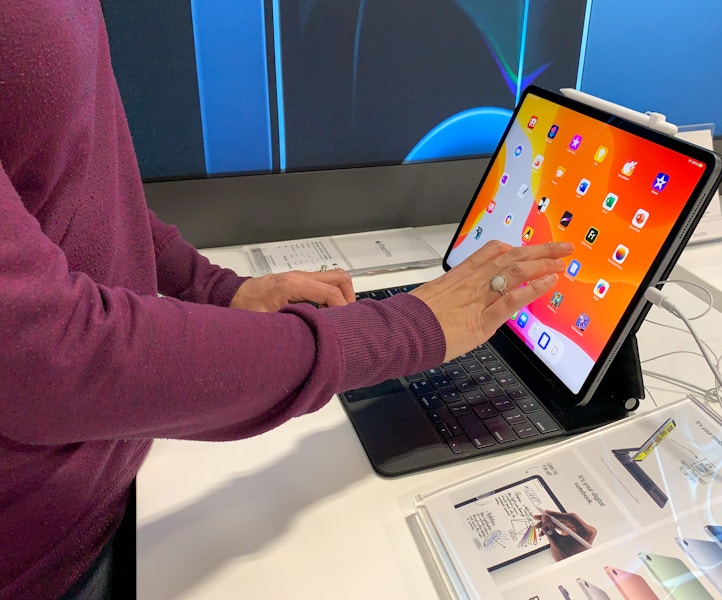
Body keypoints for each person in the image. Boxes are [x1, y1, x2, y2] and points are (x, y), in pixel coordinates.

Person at [0, 2, 572, 598]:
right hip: (41, 559)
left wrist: (218, 288)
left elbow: (76, 181)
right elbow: (52, 357)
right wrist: (409, 328)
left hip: (110, 497)